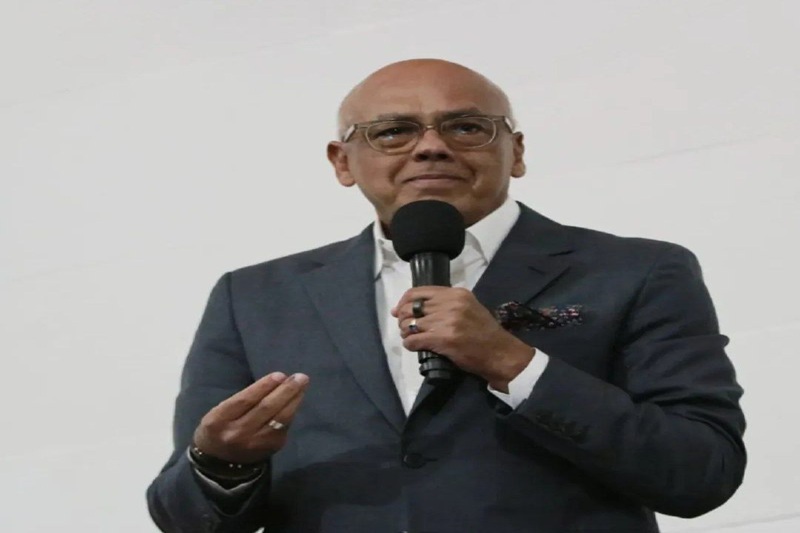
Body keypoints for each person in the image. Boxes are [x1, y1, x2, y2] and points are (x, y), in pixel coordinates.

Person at [146, 58, 746, 533]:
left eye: (466, 127)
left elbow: (702, 471)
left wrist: (513, 363)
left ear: (517, 152)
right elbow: (183, 517)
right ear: (342, 162)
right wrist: (221, 462)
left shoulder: (636, 271)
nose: (431, 147)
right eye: (393, 131)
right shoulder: (254, 298)